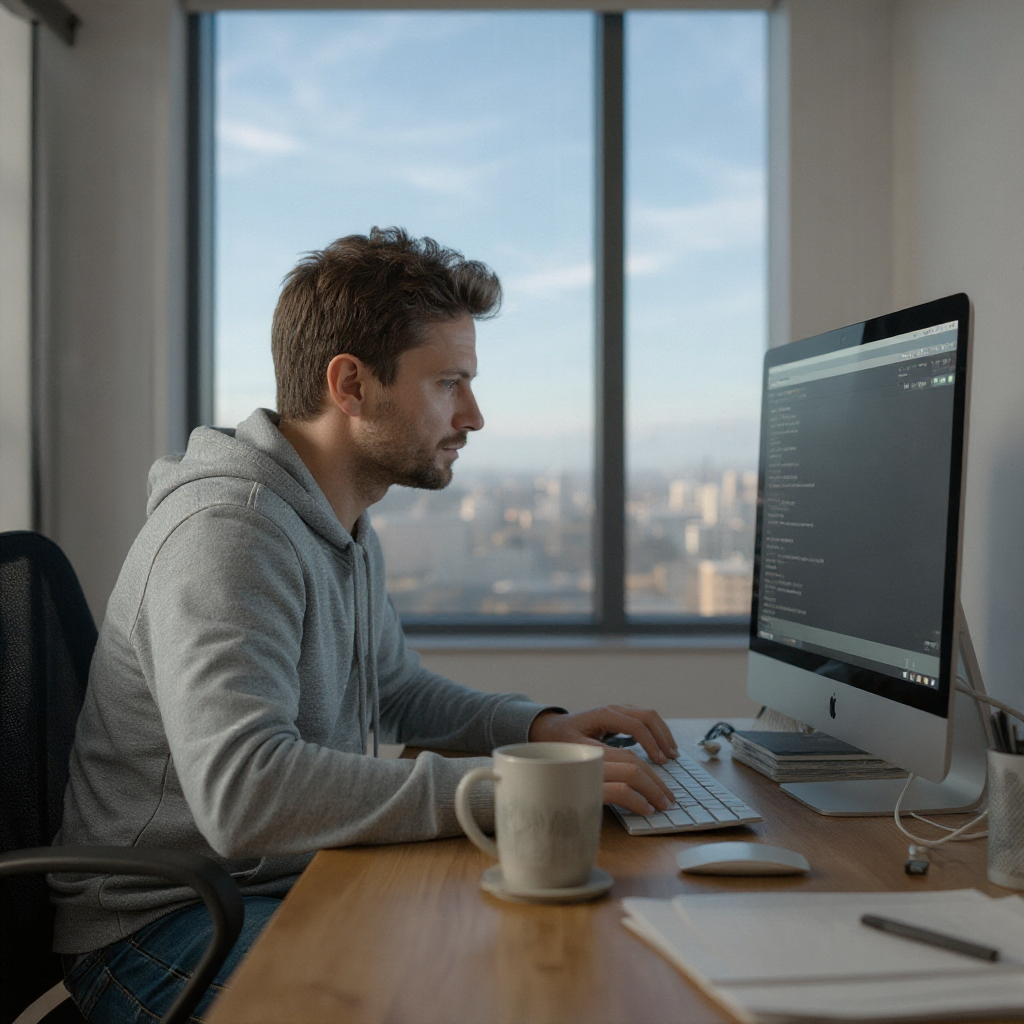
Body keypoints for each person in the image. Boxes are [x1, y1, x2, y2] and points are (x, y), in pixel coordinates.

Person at [52, 227, 678, 1023]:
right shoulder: (229, 534)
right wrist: (507, 790)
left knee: (531, 959)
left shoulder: (339, 518)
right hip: (165, 926)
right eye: (449, 383)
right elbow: (246, 795)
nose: (475, 415)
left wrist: (539, 729)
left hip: (279, 884)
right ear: (351, 384)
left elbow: (395, 686)